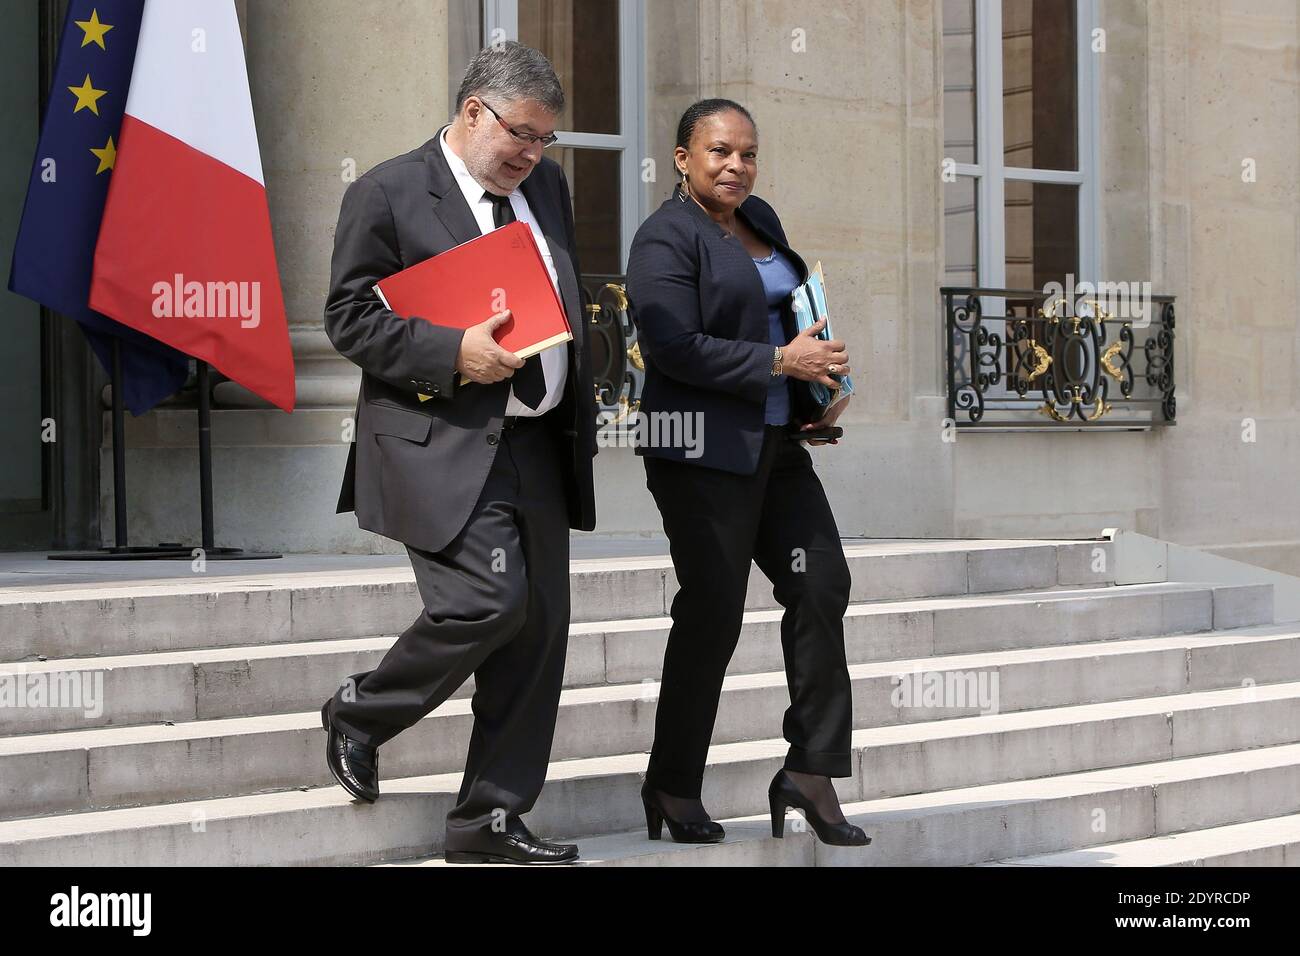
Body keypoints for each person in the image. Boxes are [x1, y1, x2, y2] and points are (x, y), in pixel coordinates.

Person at [320, 41, 597, 865]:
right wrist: (452, 355)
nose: (533, 155)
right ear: (473, 110)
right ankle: (362, 712)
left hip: (541, 443)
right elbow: (349, 318)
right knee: (487, 604)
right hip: (440, 443)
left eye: (546, 140)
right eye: (521, 134)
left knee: (540, 630)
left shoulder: (544, 187)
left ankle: (487, 823)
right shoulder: (387, 191)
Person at [625, 98, 870, 848]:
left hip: (777, 446)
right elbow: (673, 346)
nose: (736, 166)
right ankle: (671, 782)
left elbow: (790, 316)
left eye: (748, 153)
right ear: (682, 159)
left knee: (822, 581)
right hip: (700, 453)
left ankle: (810, 769)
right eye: (720, 152)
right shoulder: (665, 236)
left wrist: (815, 391)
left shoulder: (759, 218)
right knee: (714, 613)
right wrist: (775, 362)